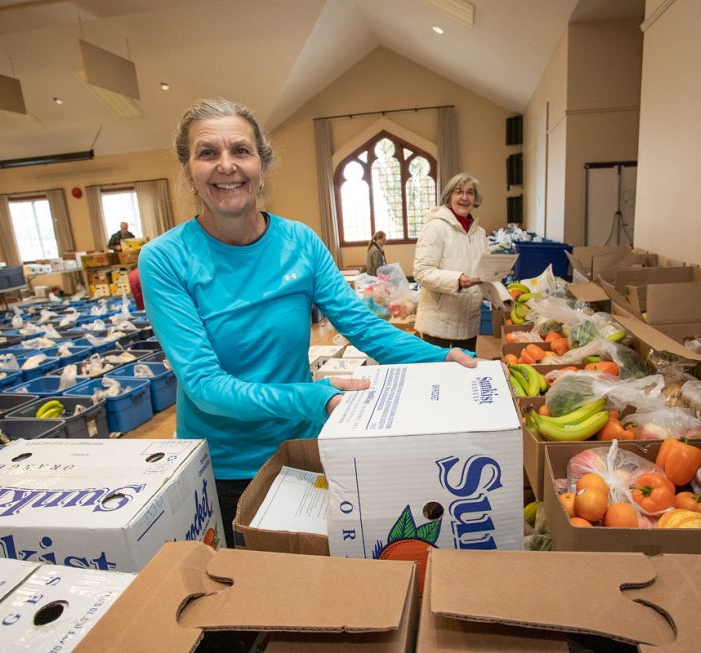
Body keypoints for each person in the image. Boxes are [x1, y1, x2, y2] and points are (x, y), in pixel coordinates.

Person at [139, 98, 476, 548]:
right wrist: (316, 396)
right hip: (225, 467)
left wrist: (442, 357)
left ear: (262, 164)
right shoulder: (164, 259)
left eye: (240, 150)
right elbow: (204, 385)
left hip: (301, 446)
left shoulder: (299, 241)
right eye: (207, 153)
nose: (226, 166)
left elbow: (363, 327)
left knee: (315, 570)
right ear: (188, 172)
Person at [413, 173, 487, 353]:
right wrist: (457, 280)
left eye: (470, 193)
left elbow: (485, 272)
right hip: (438, 323)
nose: (464, 197)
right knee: (440, 370)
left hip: (468, 323)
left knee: (467, 368)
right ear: (449, 196)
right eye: (458, 191)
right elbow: (422, 272)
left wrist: (502, 296)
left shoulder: (480, 233)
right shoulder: (435, 227)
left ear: (475, 198)